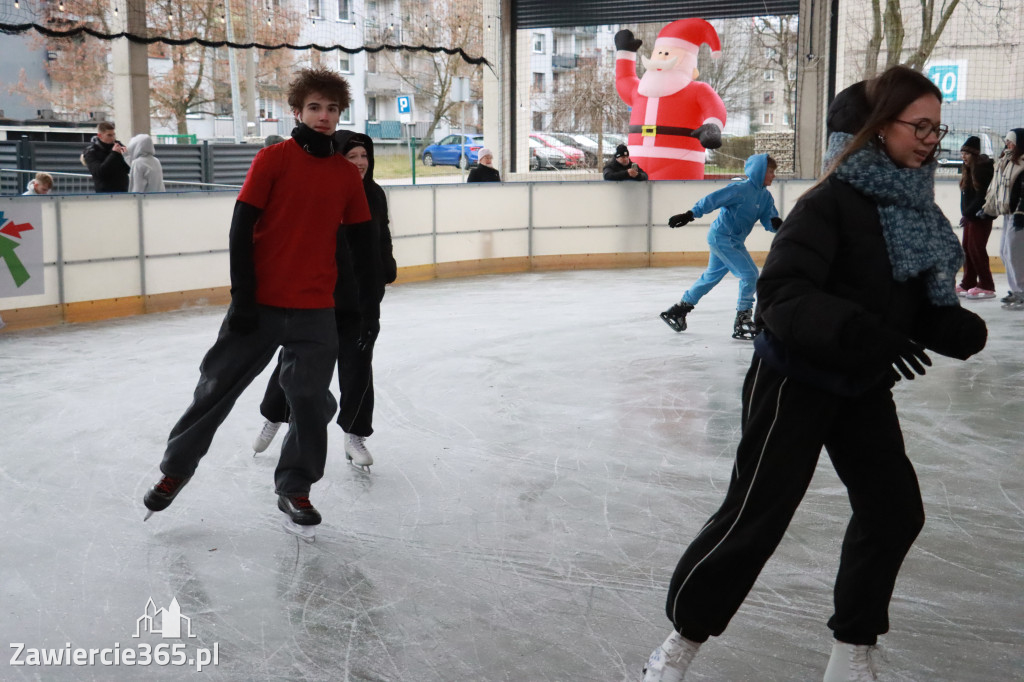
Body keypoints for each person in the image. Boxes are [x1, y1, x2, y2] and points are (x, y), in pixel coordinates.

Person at [641, 66, 987, 682]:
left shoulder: (913, 211)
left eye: (938, 127)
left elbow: (904, 301)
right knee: (756, 517)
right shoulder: (827, 203)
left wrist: (946, 328)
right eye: (920, 126)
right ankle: (679, 644)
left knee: (894, 511)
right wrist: (862, 329)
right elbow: (780, 293)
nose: (932, 140)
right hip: (796, 378)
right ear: (880, 129)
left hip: (859, 384)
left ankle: (851, 648)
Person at [142, 67, 371, 539]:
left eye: (332, 109)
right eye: (314, 107)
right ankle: (174, 471)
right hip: (260, 305)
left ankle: (295, 485)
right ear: (297, 111)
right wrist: (243, 297)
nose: (324, 116)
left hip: (314, 310)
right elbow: (241, 229)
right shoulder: (273, 159)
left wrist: (353, 309)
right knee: (215, 388)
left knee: (309, 400)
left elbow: (353, 247)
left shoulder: (346, 177)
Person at [253, 130, 396, 471]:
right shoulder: (324, 192)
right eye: (352, 157)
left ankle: (354, 434)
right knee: (295, 364)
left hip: (361, 301)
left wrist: (385, 269)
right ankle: (275, 415)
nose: (360, 163)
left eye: (365, 156)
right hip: (320, 298)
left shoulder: (374, 194)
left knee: (358, 367)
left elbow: (382, 236)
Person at [659, 153, 781, 340]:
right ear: (760, 171)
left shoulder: (765, 197)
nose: (773, 175)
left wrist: (778, 225)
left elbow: (769, 220)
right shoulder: (740, 189)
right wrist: (690, 214)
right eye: (770, 171)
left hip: (734, 241)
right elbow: (713, 200)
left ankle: (678, 311)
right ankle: (742, 320)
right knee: (750, 275)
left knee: (710, 277)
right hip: (721, 238)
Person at [980, 128, 1024, 309]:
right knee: (1005, 252)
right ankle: (1016, 290)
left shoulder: (1022, 164)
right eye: (1006, 141)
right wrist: (988, 209)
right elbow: (997, 189)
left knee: (1016, 254)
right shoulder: (1006, 162)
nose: (1007, 144)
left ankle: (1022, 291)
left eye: (1011, 141)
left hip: (1020, 215)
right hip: (1008, 213)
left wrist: (1021, 212)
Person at [955, 136, 996, 298]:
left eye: (966, 153)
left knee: (976, 249)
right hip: (971, 216)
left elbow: (981, 196)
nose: (963, 156)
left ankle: (987, 285)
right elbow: (966, 195)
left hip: (981, 216)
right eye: (962, 153)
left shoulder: (981, 169)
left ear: (974, 154)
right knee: (967, 249)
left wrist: (969, 213)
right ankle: (968, 282)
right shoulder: (967, 169)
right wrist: (965, 213)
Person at [83, 121, 130, 193]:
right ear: (100, 136)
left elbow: (128, 169)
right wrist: (114, 154)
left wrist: (126, 155)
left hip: (123, 190)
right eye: (109, 135)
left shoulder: (119, 145)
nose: (113, 138)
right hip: (105, 192)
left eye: (114, 135)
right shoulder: (92, 151)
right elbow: (99, 172)